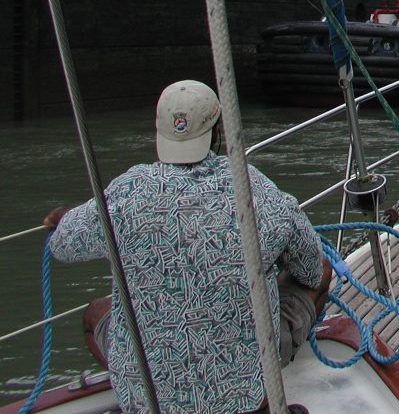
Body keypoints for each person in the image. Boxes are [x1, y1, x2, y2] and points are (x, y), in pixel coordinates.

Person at [44, 81, 330, 414]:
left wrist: (67, 216)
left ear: (159, 132)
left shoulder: (126, 193)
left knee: (97, 312)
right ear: (216, 133)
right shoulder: (253, 188)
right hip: (244, 399)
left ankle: (147, 385)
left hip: (149, 399)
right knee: (322, 273)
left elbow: (62, 245)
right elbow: (310, 267)